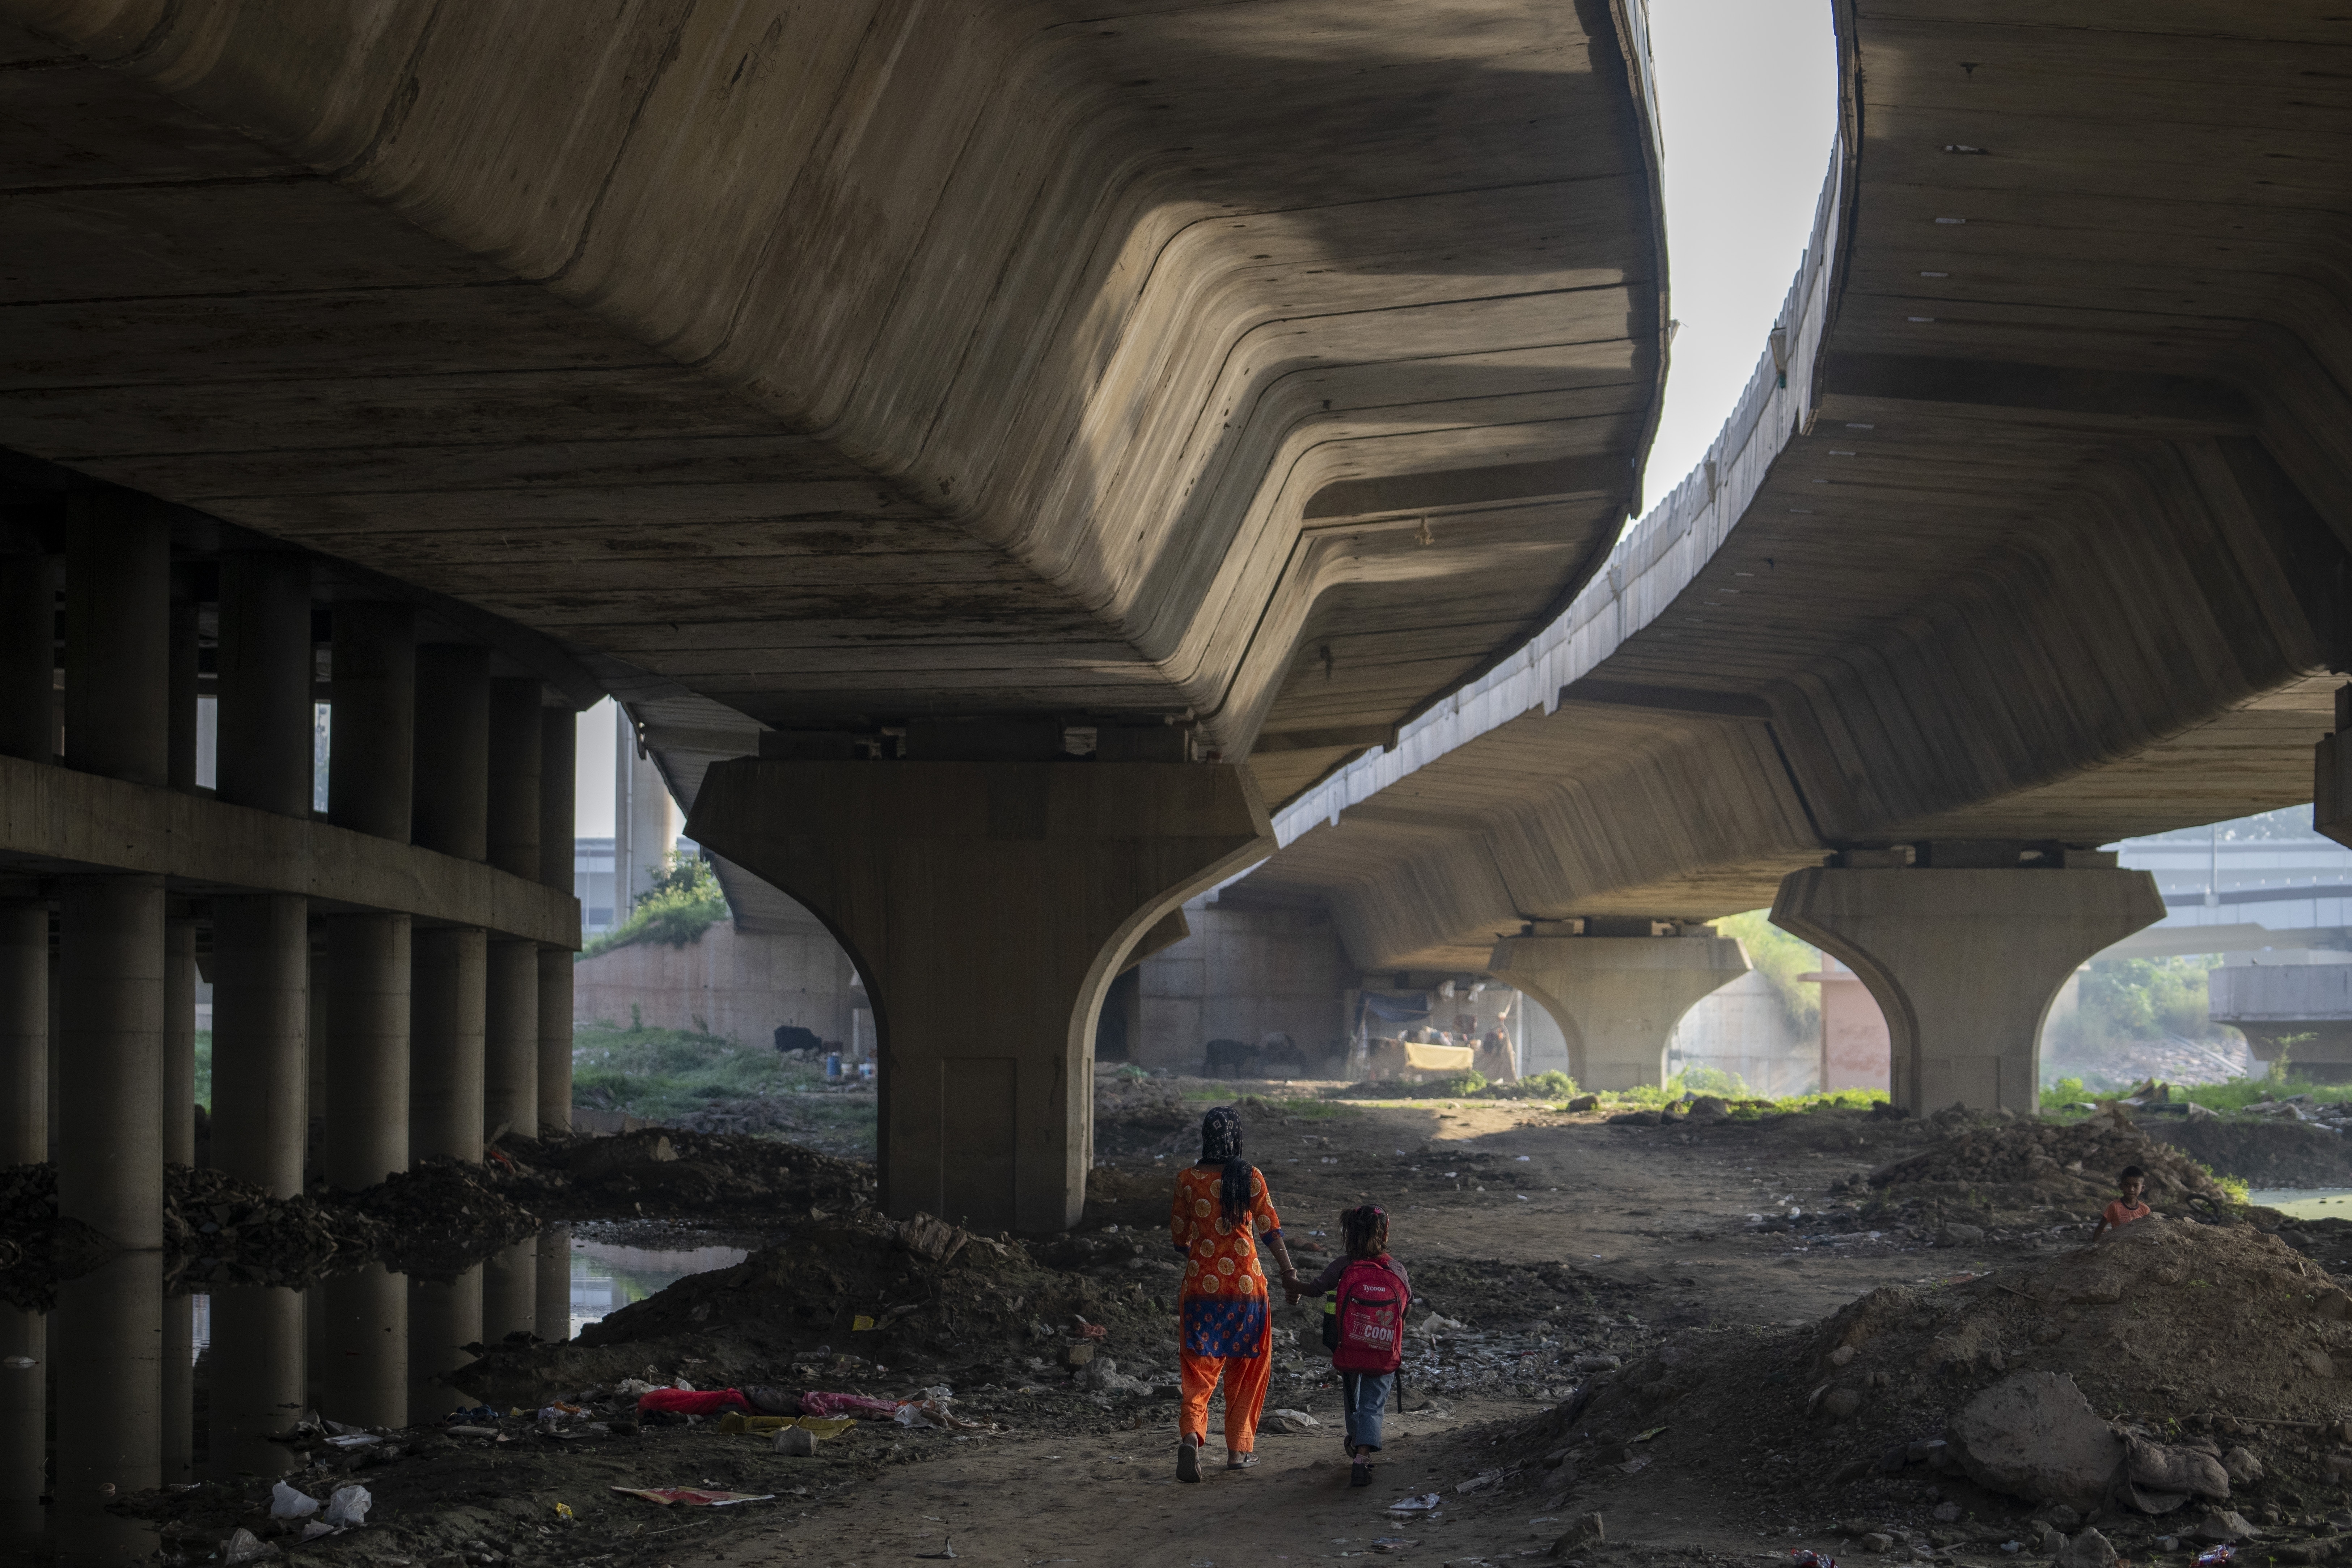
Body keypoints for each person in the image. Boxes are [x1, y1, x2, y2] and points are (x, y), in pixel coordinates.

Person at [1169, 1105, 1301, 1481]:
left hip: (1200, 1290)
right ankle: (1238, 1451)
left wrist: (1202, 1251)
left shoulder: (1186, 1180)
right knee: (1247, 1369)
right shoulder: (1250, 1177)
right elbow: (1271, 1230)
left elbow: (1179, 1238)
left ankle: (1192, 1437)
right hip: (1246, 1290)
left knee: (1198, 1371)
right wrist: (1288, 1273)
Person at [1291, 1205, 1411, 1488]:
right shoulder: (1395, 1268)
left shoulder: (1343, 1266)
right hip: (1382, 1352)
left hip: (1349, 1347)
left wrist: (1291, 1283)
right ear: (1385, 1233)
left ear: (1349, 1235)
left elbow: (1315, 1289)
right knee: (1374, 1403)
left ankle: (1357, 1442)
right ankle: (1363, 1456)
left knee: (1353, 1399)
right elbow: (1404, 1311)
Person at [2088, 1165, 2152, 1245]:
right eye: (2127, 1185)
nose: (2131, 1190)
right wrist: (2093, 1247)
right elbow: (2100, 1228)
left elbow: (2150, 1232)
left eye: (2136, 1186)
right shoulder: (2115, 1206)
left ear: (2142, 1188)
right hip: (2118, 1246)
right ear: (2121, 1186)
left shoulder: (2145, 1210)